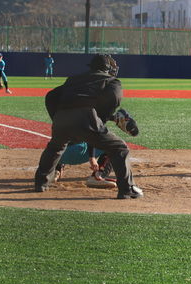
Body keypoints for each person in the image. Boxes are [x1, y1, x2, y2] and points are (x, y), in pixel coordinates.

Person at [34, 54, 143, 199]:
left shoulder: (73, 79)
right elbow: (114, 99)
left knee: (55, 147)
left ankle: (41, 183)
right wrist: (101, 119)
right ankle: (127, 189)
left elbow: (51, 96)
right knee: (119, 147)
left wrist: (57, 117)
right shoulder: (111, 81)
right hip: (86, 117)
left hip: (61, 117)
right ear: (107, 68)